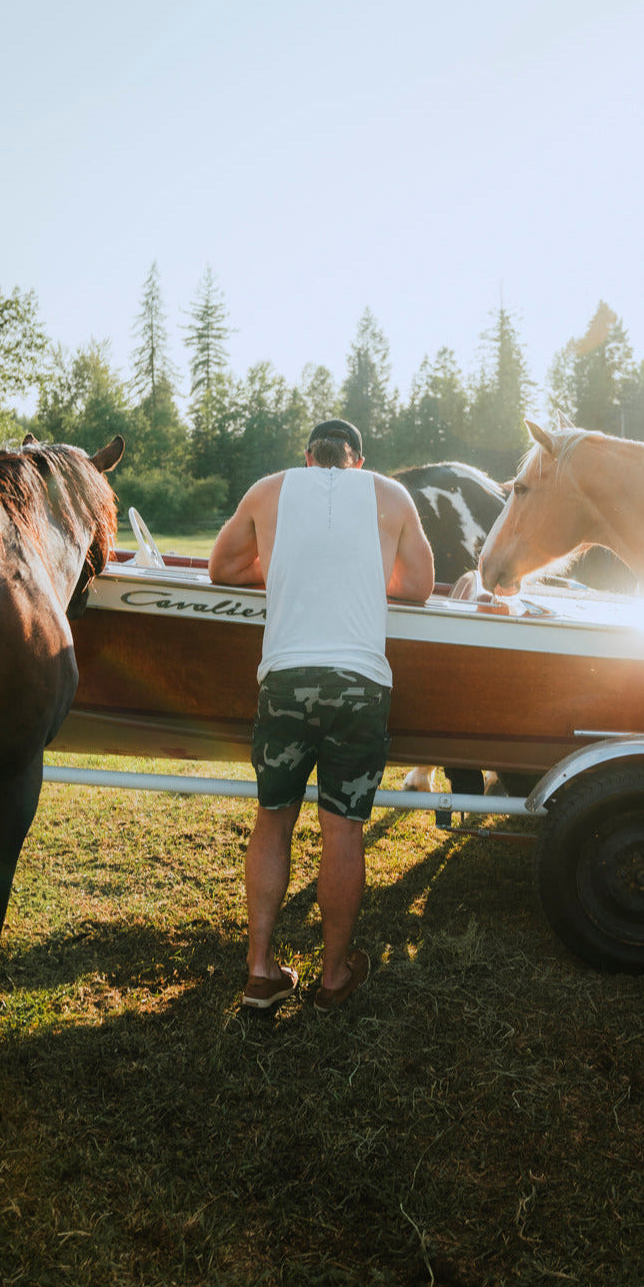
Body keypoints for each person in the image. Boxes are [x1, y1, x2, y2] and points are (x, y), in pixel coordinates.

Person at [208, 418, 434, 1012]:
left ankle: (260, 972)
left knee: (272, 819)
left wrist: (285, 573)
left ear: (309, 458)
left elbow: (222, 569)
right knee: (343, 829)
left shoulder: (268, 490)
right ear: (357, 461)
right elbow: (420, 586)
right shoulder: (390, 494)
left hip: (285, 679)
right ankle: (333, 978)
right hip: (360, 685)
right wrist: (360, 580)